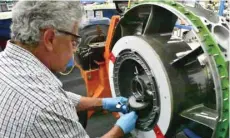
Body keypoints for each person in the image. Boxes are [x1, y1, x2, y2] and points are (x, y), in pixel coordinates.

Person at [0, 1, 138, 138]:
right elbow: (51, 104)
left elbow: (55, 96)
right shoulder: (48, 106)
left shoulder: (6, 63)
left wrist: (103, 103)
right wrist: (120, 129)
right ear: (50, 39)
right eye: (74, 40)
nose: (75, 48)